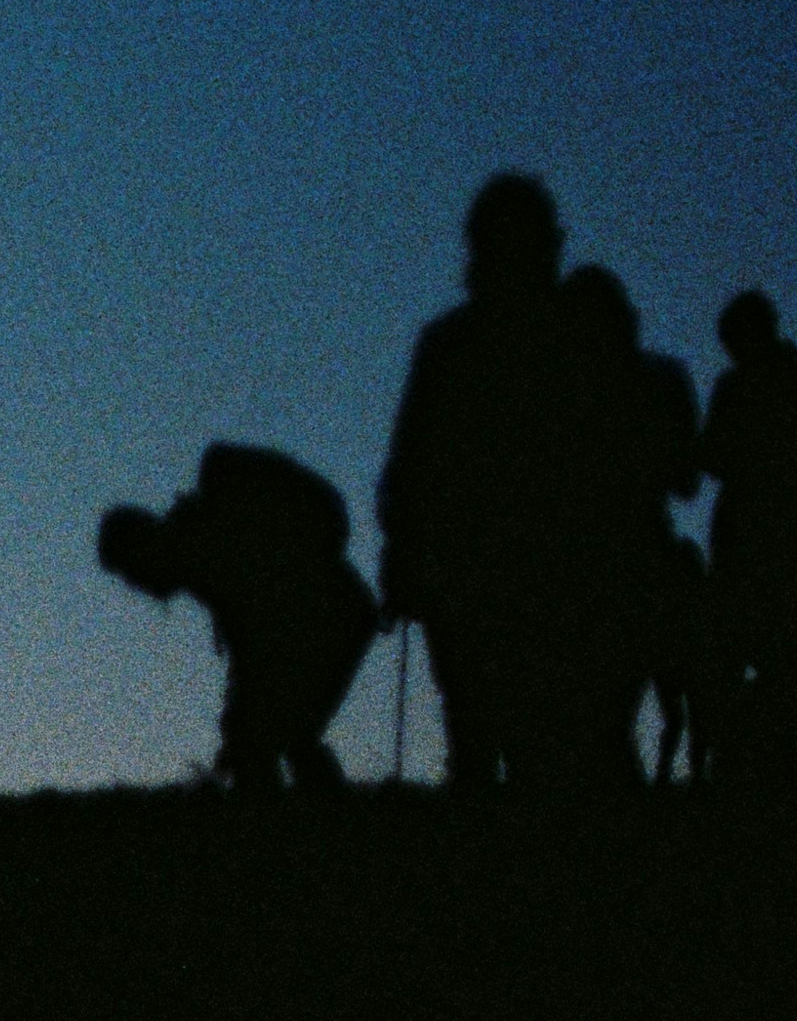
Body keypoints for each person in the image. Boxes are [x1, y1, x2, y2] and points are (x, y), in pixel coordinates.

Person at [379, 174, 593, 789]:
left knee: (494, 728)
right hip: (493, 559)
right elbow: (410, 459)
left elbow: (408, 460)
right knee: (505, 728)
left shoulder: (459, 342)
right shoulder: (561, 340)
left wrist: (403, 543)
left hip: (507, 559)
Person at [96, 443, 378, 794]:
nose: (136, 586)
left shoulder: (207, 547)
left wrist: (237, 729)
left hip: (333, 617)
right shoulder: (202, 545)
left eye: (129, 572)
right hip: (344, 612)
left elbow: (257, 644)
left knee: (273, 738)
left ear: (143, 547)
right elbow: (249, 645)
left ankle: (281, 822)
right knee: (287, 735)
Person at [557, 265, 702, 788]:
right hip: (622, 552)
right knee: (604, 719)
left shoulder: (560, 390)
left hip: (593, 557)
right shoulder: (663, 378)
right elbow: (687, 480)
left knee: (597, 719)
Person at [694, 290, 797, 784]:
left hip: (758, 538)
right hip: (778, 539)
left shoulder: (741, 387)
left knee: (749, 653)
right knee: (776, 656)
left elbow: (710, 455)